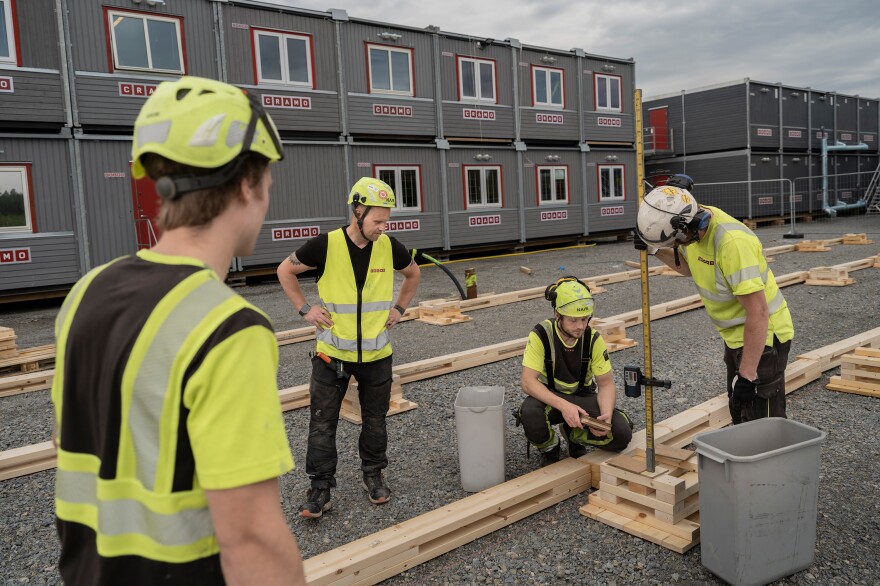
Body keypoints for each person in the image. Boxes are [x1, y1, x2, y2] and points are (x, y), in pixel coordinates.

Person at [50, 76, 305, 585]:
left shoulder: (85, 292)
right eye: (268, 183)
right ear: (246, 184)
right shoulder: (227, 327)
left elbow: (75, 437)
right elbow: (249, 535)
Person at [277, 177, 421, 519]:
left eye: (386, 221)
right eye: (377, 221)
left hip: (376, 356)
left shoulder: (389, 246)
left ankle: (373, 476)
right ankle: (320, 489)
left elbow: (413, 275)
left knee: (375, 421)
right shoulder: (326, 245)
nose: (382, 228)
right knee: (322, 423)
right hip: (332, 356)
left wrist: (399, 309)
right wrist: (305, 309)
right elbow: (285, 270)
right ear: (357, 211)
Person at [634, 174, 794, 424]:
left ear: (690, 226)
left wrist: (748, 374)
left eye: (678, 241)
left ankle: (773, 460)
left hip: (764, 337)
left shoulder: (732, 244)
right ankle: (746, 459)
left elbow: (759, 312)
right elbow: (688, 267)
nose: (679, 245)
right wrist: (655, 248)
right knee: (740, 409)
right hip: (736, 336)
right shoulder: (690, 227)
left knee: (764, 420)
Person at [517, 277, 633, 466]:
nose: (580, 326)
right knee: (529, 413)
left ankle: (574, 434)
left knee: (621, 434)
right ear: (557, 314)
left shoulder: (593, 339)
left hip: (582, 397)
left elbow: (606, 384)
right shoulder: (541, 335)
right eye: (573, 320)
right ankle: (550, 447)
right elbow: (528, 382)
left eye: (585, 319)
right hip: (550, 398)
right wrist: (564, 406)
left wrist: (605, 416)